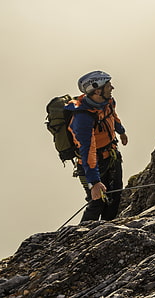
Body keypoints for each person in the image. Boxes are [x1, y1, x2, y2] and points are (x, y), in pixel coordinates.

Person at [66, 70, 129, 221]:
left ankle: (108, 228)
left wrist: (121, 132)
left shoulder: (107, 102)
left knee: (115, 196)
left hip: (111, 156)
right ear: (97, 90)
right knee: (97, 202)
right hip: (91, 164)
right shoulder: (83, 119)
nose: (112, 88)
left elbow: (113, 116)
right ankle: (81, 238)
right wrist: (94, 182)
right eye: (108, 86)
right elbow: (88, 151)